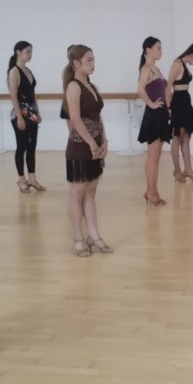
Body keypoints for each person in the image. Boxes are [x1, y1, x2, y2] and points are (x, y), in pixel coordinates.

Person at [63, 44, 112, 257]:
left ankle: (94, 235)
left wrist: (104, 140)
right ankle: (78, 238)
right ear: (76, 63)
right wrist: (92, 144)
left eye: (93, 59)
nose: (93, 63)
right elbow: (75, 119)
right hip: (80, 146)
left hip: (96, 145)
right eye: (88, 60)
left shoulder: (92, 85)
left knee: (91, 191)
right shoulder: (73, 87)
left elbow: (97, 116)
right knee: (77, 193)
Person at [7, 40, 45, 193]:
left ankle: (32, 179)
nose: (30, 54)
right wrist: (19, 117)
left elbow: (32, 94)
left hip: (31, 113)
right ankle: (21, 179)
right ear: (18, 52)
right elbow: (13, 96)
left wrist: (37, 112)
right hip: (20, 113)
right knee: (21, 146)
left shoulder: (28, 71)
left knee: (32, 146)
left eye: (31, 51)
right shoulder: (14, 72)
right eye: (28, 51)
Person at [137, 36, 171, 204]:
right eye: (158, 48)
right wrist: (151, 104)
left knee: (156, 156)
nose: (161, 51)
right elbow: (140, 89)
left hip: (161, 113)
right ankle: (152, 193)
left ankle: (150, 190)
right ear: (148, 50)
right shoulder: (146, 69)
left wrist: (168, 108)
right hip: (154, 115)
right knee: (153, 156)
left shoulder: (156, 69)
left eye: (161, 48)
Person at [167, 43, 193, 182]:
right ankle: (177, 171)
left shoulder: (185, 64)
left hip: (186, 101)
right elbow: (168, 86)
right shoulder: (177, 64)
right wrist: (168, 107)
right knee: (177, 138)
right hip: (178, 102)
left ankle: (188, 169)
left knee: (187, 137)